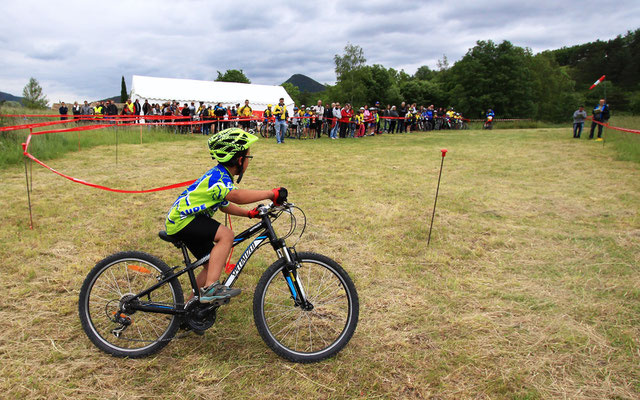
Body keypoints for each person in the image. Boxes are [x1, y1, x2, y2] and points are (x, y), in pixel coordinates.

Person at [165, 128, 288, 308]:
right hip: (184, 220)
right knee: (227, 235)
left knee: (210, 266)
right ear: (240, 160)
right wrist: (270, 193)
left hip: (186, 220)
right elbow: (235, 196)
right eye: (248, 157)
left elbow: (224, 205)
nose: (248, 161)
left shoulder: (221, 176)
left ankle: (187, 308)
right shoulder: (219, 177)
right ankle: (210, 289)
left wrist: (248, 213)